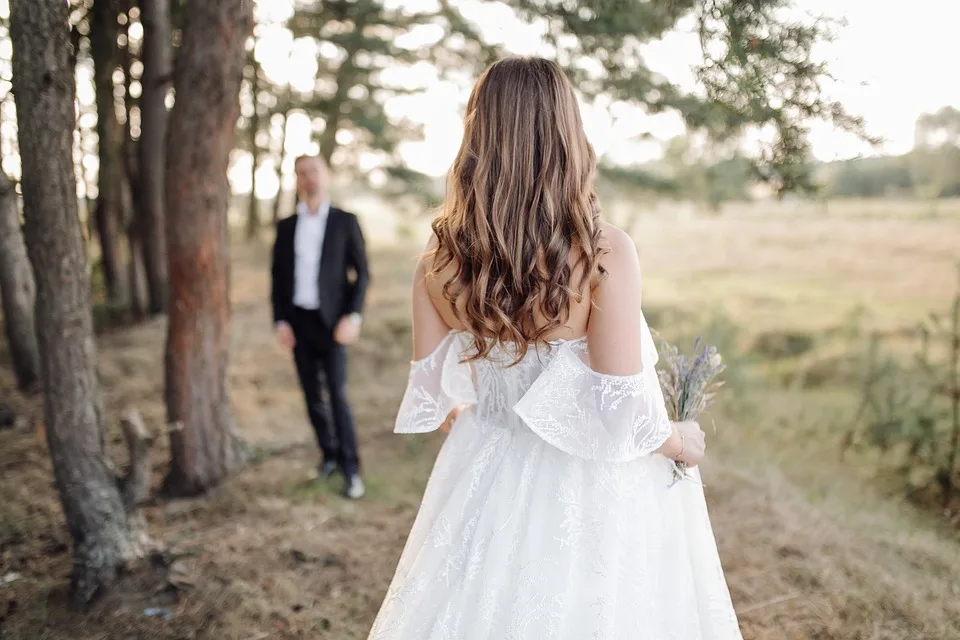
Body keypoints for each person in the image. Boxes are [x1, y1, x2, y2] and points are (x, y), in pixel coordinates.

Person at [368, 58, 742, 638]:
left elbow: (441, 405)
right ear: (566, 137)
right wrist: (683, 440)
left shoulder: (436, 267)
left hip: (482, 473)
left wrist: (502, 409)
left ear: (477, 138)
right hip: (588, 485)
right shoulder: (603, 252)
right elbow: (621, 413)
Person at [271, 154, 370, 500]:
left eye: (313, 171)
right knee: (312, 396)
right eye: (301, 173)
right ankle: (327, 455)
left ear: (325, 176)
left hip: (333, 325)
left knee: (338, 396)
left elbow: (363, 274)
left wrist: (352, 316)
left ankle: (351, 468)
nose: (308, 178)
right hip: (299, 323)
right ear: (297, 180)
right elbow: (278, 279)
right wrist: (280, 320)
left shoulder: (345, 222)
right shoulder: (286, 226)